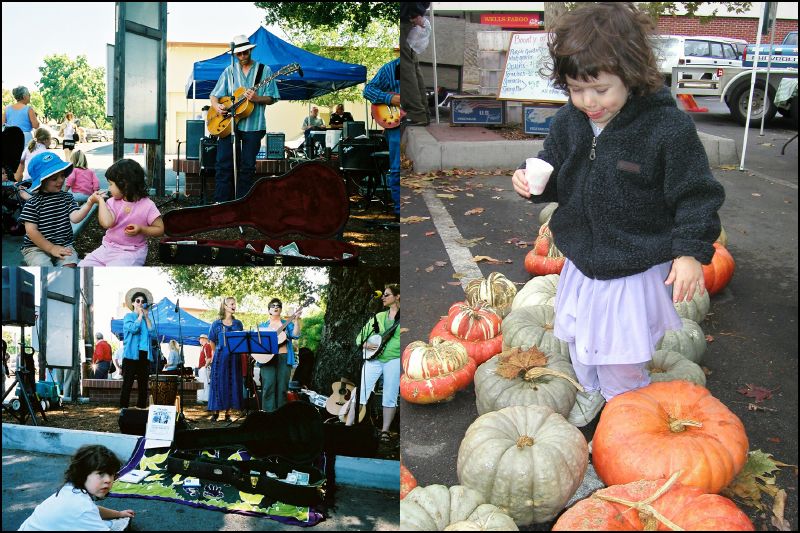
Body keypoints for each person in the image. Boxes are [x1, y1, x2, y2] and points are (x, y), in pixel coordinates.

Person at [510, 2, 724, 427]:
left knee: (621, 355)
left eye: (601, 89)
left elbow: (696, 194)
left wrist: (688, 252)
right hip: (584, 261)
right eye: (575, 88)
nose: (588, 101)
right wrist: (535, 183)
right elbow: (556, 167)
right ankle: (591, 392)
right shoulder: (570, 122)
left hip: (634, 265)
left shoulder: (667, 130)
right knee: (581, 343)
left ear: (631, 73)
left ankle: (626, 412)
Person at [210, 34, 279, 202]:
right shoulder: (229, 71)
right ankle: (222, 204)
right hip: (229, 125)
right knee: (224, 164)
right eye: (238, 54)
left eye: (245, 53)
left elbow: (272, 97)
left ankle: (242, 205)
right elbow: (214, 95)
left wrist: (257, 99)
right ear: (235, 54)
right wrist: (217, 106)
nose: (242, 57)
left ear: (250, 50)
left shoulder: (265, 70)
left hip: (254, 126)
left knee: (247, 167)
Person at [18, 445, 134, 531]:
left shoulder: (71, 489)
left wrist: (119, 514)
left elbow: (93, 509)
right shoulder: (81, 507)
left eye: (112, 474)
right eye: (101, 474)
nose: (108, 480)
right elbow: (86, 511)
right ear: (83, 474)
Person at [78, 159, 164, 267]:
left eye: (111, 184)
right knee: (83, 267)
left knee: (116, 274)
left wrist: (142, 229)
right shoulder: (112, 202)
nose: (109, 188)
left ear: (125, 184)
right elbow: (107, 223)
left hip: (131, 252)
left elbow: (160, 229)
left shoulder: (147, 205)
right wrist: (101, 201)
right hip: (107, 248)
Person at [18, 152, 96, 267]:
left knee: (69, 265)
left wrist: (89, 203)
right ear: (41, 181)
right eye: (54, 178)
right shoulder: (33, 203)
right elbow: (31, 231)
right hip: (36, 247)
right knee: (44, 268)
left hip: (63, 244)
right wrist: (51, 248)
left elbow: (75, 217)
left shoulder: (67, 197)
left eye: (62, 176)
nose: (60, 181)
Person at [346, 285, 401, 444]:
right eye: (383, 295)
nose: (383, 297)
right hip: (373, 359)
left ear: (397, 297)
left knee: (390, 395)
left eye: (387, 295)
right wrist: (365, 344)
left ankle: (385, 431)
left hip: (393, 359)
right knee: (361, 391)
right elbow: (359, 337)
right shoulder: (378, 316)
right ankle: (348, 425)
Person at [363, 58, 401, 219]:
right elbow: (368, 90)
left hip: (419, 122)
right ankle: (400, 210)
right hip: (397, 125)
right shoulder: (391, 68)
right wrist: (390, 99)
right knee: (398, 167)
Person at [258, 298, 301, 412]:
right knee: (268, 387)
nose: (276, 307)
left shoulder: (287, 324)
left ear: (281, 309)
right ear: (269, 310)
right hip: (267, 359)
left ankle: (281, 417)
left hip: (284, 357)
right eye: (273, 306)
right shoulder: (263, 325)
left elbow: (296, 335)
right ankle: (268, 416)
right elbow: (258, 343)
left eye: (278, 305)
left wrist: (296, 320)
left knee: (282, 388)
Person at [207, 296, 244, 421]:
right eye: (232, 304)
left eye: (235, 304)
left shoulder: (238, 324)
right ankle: (216, 412)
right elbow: (211, 341)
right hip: (220, 358)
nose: (234, 306)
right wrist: (218, 352)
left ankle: (228, 413)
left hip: (234, 359)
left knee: (231, 382)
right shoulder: (216, 324)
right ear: (225, 306)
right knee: (218, 383)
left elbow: (242, 341)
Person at [119, 288, 156, 409]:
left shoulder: (146, 319)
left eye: (142, 301)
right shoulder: (128, 316)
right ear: (133, 303)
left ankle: (141, 408)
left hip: (144, 355)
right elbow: (133, 329)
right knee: (127, 384)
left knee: (143, 385)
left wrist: (146, 317)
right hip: (131, 355)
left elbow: (152, 332)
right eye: (138, 300)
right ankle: (123, 409)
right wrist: (139, 316)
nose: (140, 303)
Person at [400, 2, 431, 126]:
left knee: (404, 66)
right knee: (410, 63)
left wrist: (414, 11)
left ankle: (417, 112)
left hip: (405, 15)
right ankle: (421, 112)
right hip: (408, 14)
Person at [2, 86, 40, 156]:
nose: (30, 96)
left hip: (10, 138)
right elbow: (36, 126)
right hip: (25, 138)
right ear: (24, 96)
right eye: (29, 94)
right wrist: (36, 118)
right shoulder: (29, 109)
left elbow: (2, 124)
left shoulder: (7, 109)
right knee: (25, 160)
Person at [197, 333, 212, 403]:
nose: (199, 340)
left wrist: (205, 366)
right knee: (203, 383)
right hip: (203, 368)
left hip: (204, 368)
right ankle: (203, 398)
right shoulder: (205, 347)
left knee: (204, 384)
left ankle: (204, 398)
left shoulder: (207, 346)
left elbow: (209, 358)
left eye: (200, 339)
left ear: (203, 339)